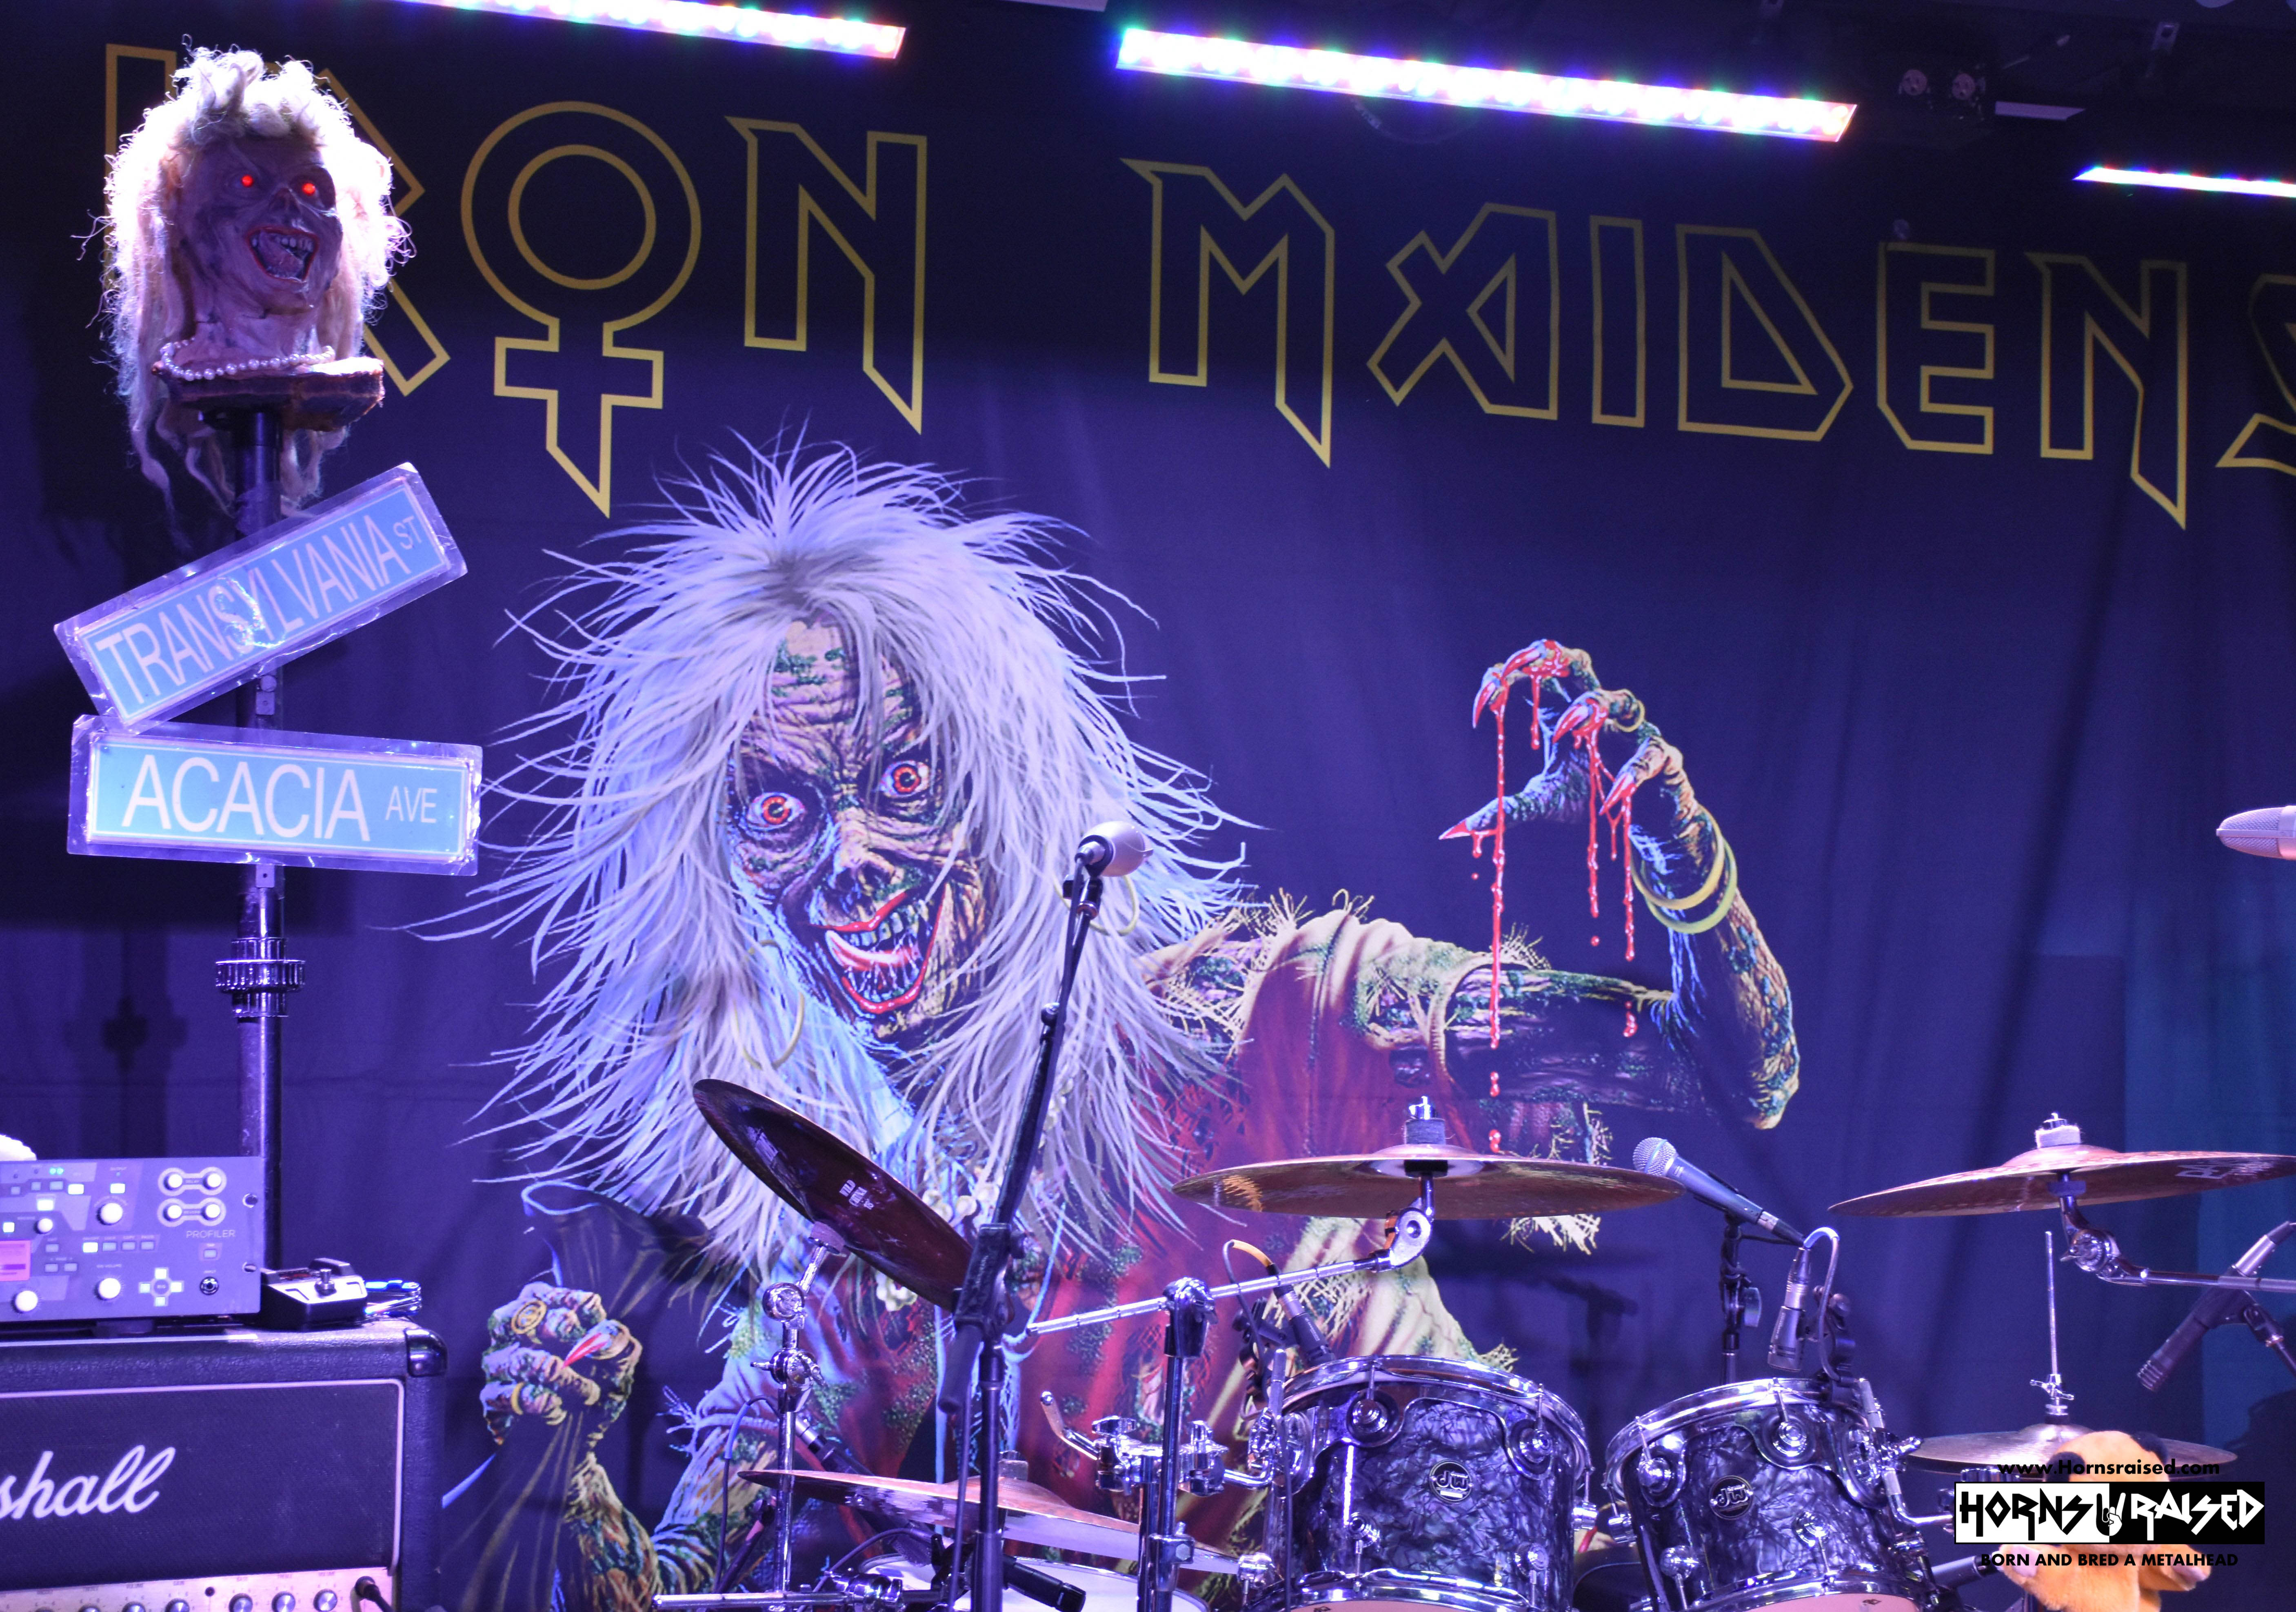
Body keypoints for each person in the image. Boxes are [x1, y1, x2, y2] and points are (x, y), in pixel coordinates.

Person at [457, 445, 1798, 1605]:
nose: (850, 857)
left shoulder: (1284, 1014)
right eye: (777, 808)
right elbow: (675, 1588)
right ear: (730, 869)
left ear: (1009, 788)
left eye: (907, 779)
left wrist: (1675, 854)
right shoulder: (851, 1262)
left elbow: (1722, 1069)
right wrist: (565, 1463)